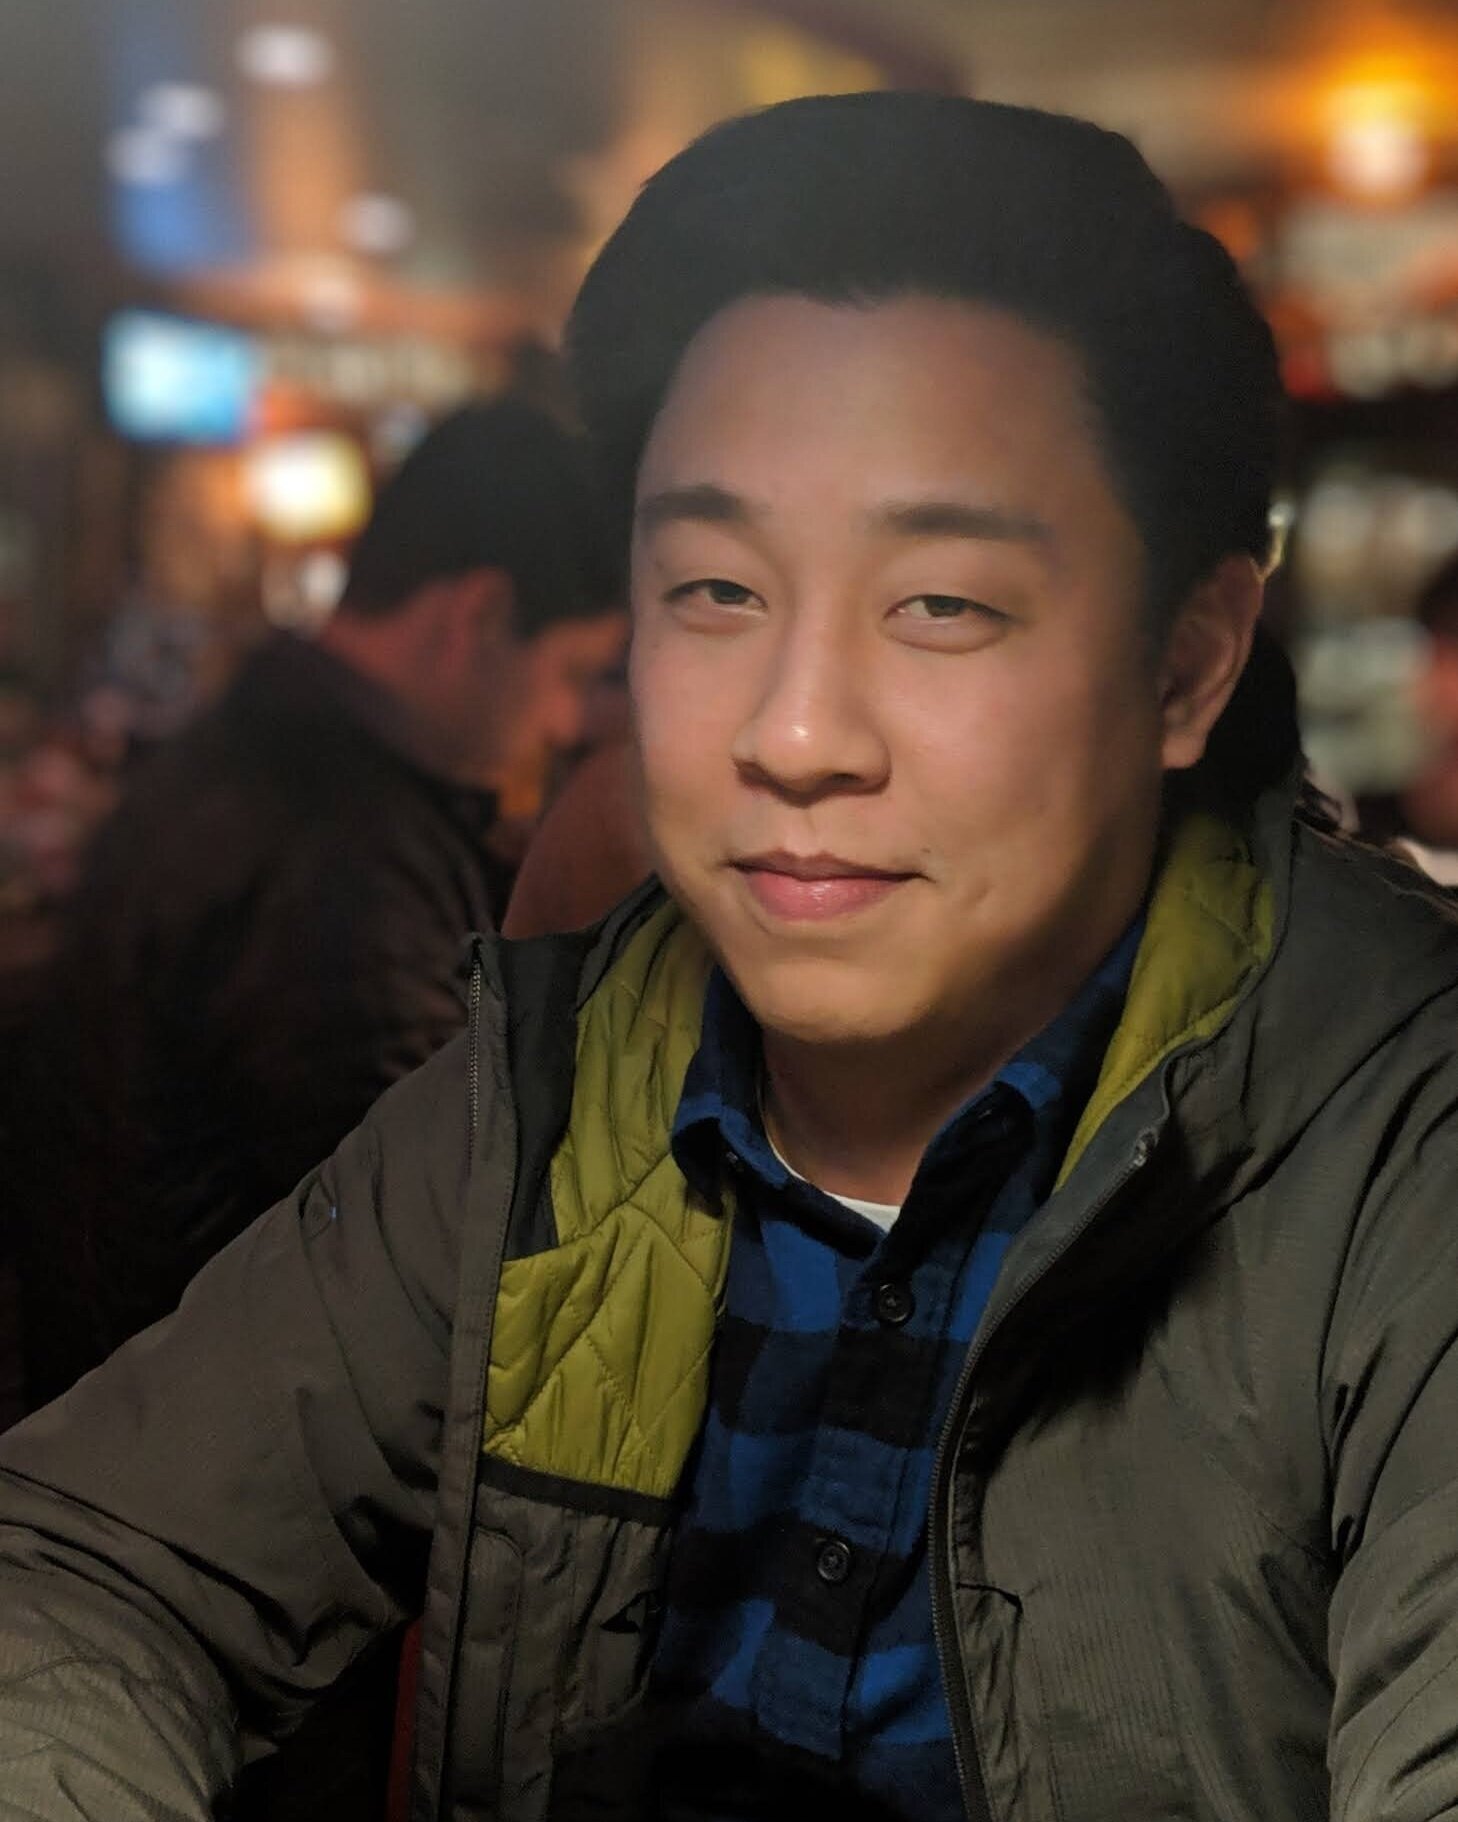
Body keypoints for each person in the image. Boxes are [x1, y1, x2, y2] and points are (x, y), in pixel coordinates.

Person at [1, 91, 1457, 1822]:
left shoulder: (1392, 1138)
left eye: (940, 604)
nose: (794, 732)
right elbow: (88, 1562)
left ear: (1186, 663)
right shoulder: (561, 1089)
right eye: (712, 590)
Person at [12, 396, 623, 1412]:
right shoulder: (346, 856)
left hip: (125, 1405)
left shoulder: (256, 751)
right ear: (476, 617)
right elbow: (436, 1259)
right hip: (212, 1440)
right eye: (571, 672)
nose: (566, 721)